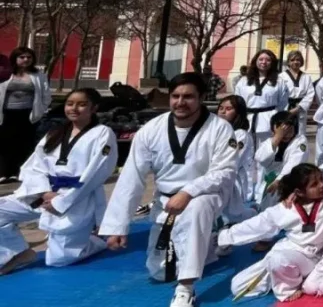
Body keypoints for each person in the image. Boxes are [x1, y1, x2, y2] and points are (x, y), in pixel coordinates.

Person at [99, 73, 239, 307]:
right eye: (175, 96)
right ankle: (210, 244)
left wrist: (189, 192)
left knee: (196, 209)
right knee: (160, 272)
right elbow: (131, 177)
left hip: (207, 194)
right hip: (165, 201)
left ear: (202, 98)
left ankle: (186, 288)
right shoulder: (151, 130)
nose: (180, 102)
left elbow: (225, 172)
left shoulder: (220, 128)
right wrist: (117, 225)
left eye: (188, 97)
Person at [0, 88, 117, 273]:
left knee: (58, 259)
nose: (74, 108)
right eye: (70, 104)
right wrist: (44, 192)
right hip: (44, 193)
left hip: (77, 197)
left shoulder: (103, 133)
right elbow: (34, 166)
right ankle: (17, 253)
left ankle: (95, 240)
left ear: (94, 108)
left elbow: (96, 173)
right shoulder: (55, 132)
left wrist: (61, 201)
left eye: (82, 104)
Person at [219, 164, 323, 303]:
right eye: (314, 184)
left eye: (322, 179)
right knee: (238, 286)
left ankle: (287, 289)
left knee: (278, 260)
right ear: (299, 192)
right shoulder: (286, 209)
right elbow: (257, 225)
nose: (322, 185)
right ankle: (285, 275)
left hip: (314, 256)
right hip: (292, 252)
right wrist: (225, 236)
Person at [0, 47, 53, 184]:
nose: (26, 60)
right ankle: (4, 173)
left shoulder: (38, 75)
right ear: (15, 59)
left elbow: (46, 95)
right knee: (5, 143)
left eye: (29, 57)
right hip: (6, 114)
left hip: (28, 114)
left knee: (25, 144)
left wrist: (41, 111)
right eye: (22, 57)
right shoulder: (5, 73)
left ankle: (19, 172)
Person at [235, 50, 291, 155]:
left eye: (268, 60)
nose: (264, 62)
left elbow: (283, 103)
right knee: (244, 153)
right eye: (261, 59)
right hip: (247, 120)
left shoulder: (279, 81)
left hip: (268, 121)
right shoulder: (244, 80)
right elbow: (238, 100)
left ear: (272, 63)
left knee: (266, 153)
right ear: (255, 61)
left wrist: (277, 120)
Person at [216, 95, 256, 229]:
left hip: (233, 180)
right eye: (220, 108)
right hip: (215, 176)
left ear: (238, 113)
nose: (222, 111)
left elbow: (233, 160)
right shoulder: (216, 132)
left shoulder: (240, 135)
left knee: (232, 216)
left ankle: (255, 213)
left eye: (228, 109)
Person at [255, 112, 307, 213]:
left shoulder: (300, 141)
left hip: (290, 182)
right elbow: (260, 158)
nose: (286, 134)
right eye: (283, 131)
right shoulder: (271, 141)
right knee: (265, 211)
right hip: (270, 183)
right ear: (274, 129)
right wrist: (277, 138)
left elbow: (293, 164)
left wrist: (279, 180)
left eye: (290, 130)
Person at [283, 51, 314, 137]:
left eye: (298, 60)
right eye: (292, 60)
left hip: (300, 109)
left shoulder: (306, 77)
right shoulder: (281, 77)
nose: (295, 62)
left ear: (301, 61)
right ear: (288, 62)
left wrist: (298, 107)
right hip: (286, 108)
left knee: (300, 135)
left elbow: (310, 94)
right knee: (285, 134)